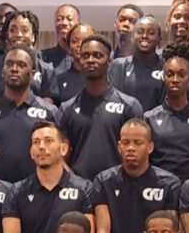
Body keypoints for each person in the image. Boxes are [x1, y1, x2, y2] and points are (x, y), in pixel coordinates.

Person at [92, 119, 181, 233]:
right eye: (126, 143)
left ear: (150, 147)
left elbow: (170, 231)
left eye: (137, 143)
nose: (131, 148)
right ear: (119, 146)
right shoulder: (104, 181)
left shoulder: (169, 183)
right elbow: (103, 230)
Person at [60, 35, 144, 180]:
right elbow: (59, 156)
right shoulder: (66, 108)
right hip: (79, 190)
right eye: (85, 55)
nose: (91, 60)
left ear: (109, 61)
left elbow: (139, 153)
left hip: (119, 188)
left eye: (97, 55)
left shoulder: (129, 106)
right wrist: (76, 183)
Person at [0, 45, 62, 183]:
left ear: (32, 74)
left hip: (38, 191)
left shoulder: (50, 112)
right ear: (2, 71)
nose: (14, 69)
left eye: (21, 65)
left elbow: (58, 156)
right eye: (9, 64)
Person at [143, 40, 189, 180]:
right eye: (170, 74)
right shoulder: (149, 118)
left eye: (181, 74)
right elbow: (144, 161)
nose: (175, 79)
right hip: (159, 188)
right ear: (163, 77)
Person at [0, 10, 59, 105]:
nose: (18, 35)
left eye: (24, 30)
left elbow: (48, 101)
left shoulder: (46, 69)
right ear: (7, 35)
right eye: (13, 30)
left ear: (33, 36)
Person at [109, 16, 164, 112]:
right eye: (139, 32)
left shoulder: (166, 67)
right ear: (132, 37)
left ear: (159, 39)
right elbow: (113, 100)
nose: (144, 36)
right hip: (124, 123)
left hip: (156, 124)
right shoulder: (119, 65)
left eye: (151, 33)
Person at [55, 22, 97, 102]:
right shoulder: (58, 80)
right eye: (74, 41)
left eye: (85, 41)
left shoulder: (106, 77)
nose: (79, 45)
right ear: (69, 46)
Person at [41, 4, 80, 68]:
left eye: (69, 19)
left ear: (78, 23)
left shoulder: (85, 58)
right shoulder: (42, 57)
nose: (64, 22)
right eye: (59, 19)